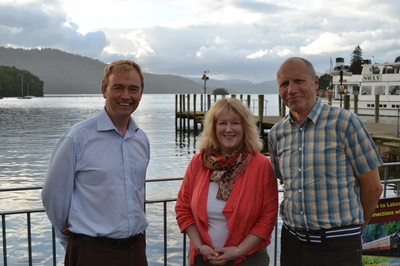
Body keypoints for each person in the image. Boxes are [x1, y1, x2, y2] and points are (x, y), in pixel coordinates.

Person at [268, 57, 383, 266]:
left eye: (298, 81)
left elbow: (373, 187)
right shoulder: (277, 134)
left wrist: (357, 229)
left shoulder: (345, 123)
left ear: (315, 83)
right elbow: (286, 183)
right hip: (293, 242)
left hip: (338, 247)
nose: (291, 90)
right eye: (284, 84)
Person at [41, 60, 150, 266]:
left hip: (136, 250)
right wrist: (71, 238)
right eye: (118, 87)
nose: (126, 96)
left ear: (141, 94)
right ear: (104, 90)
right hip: (91, 252)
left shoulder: (141, 140)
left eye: (133, 89)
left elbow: (138, 192)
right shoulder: (77, 138)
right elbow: (53, 195)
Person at [175, 98, 278, 266]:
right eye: (222, 123)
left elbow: (268, 218)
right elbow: (183, 209)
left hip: (249, 259)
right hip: (204, 258)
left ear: (244, 127)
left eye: (235, 123)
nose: (228, 129)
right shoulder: (198, 163)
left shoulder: (261, 165)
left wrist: (238, 250)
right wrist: (200, 246)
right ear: (213, 128)